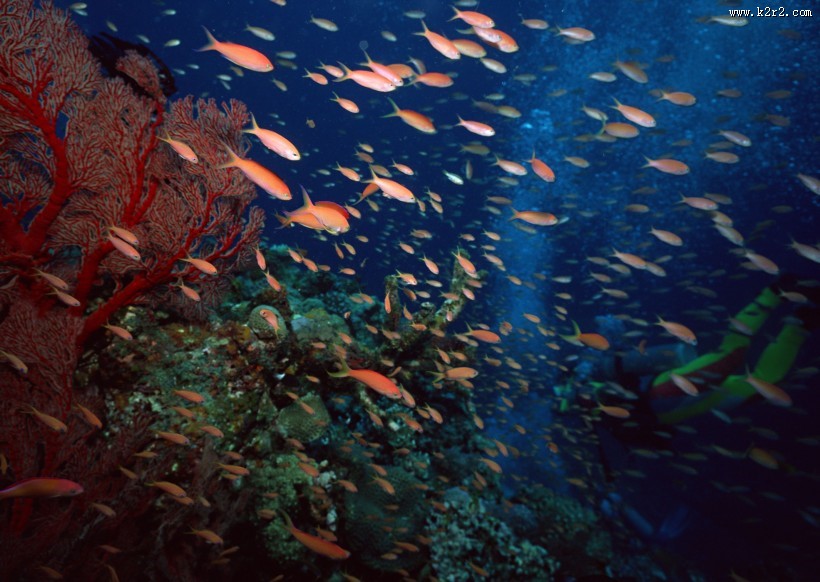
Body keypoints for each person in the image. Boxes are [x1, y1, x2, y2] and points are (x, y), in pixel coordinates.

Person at [647, 275, 818, 425]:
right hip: (681, 409)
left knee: (730, 356)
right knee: (766, 385)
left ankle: (776, 292)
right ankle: (802, 323)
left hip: (654, 392)